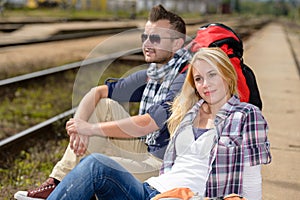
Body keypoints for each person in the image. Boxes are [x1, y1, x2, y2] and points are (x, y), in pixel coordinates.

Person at [46, 47, 272, 200]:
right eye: (199, 79)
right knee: (96, 164)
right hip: (150, 191)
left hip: (186, 196)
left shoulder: (245, 115)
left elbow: (252, 178)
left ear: (228, 77)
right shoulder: (188, 112)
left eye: (212, 75)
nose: (206, 85)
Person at [14, 4, 189, 200]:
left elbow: (147, 124)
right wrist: (79, 126)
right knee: (103, 105)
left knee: (96, 165)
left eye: (155, 38)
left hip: (162, 165)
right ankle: (57, 181)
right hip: (144, 149)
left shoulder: (186, 78)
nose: (147, 43)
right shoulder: (155, 72)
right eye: (145, 37)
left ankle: (71, 188)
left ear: (176, 44)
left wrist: (91, 128)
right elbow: (96, 93)